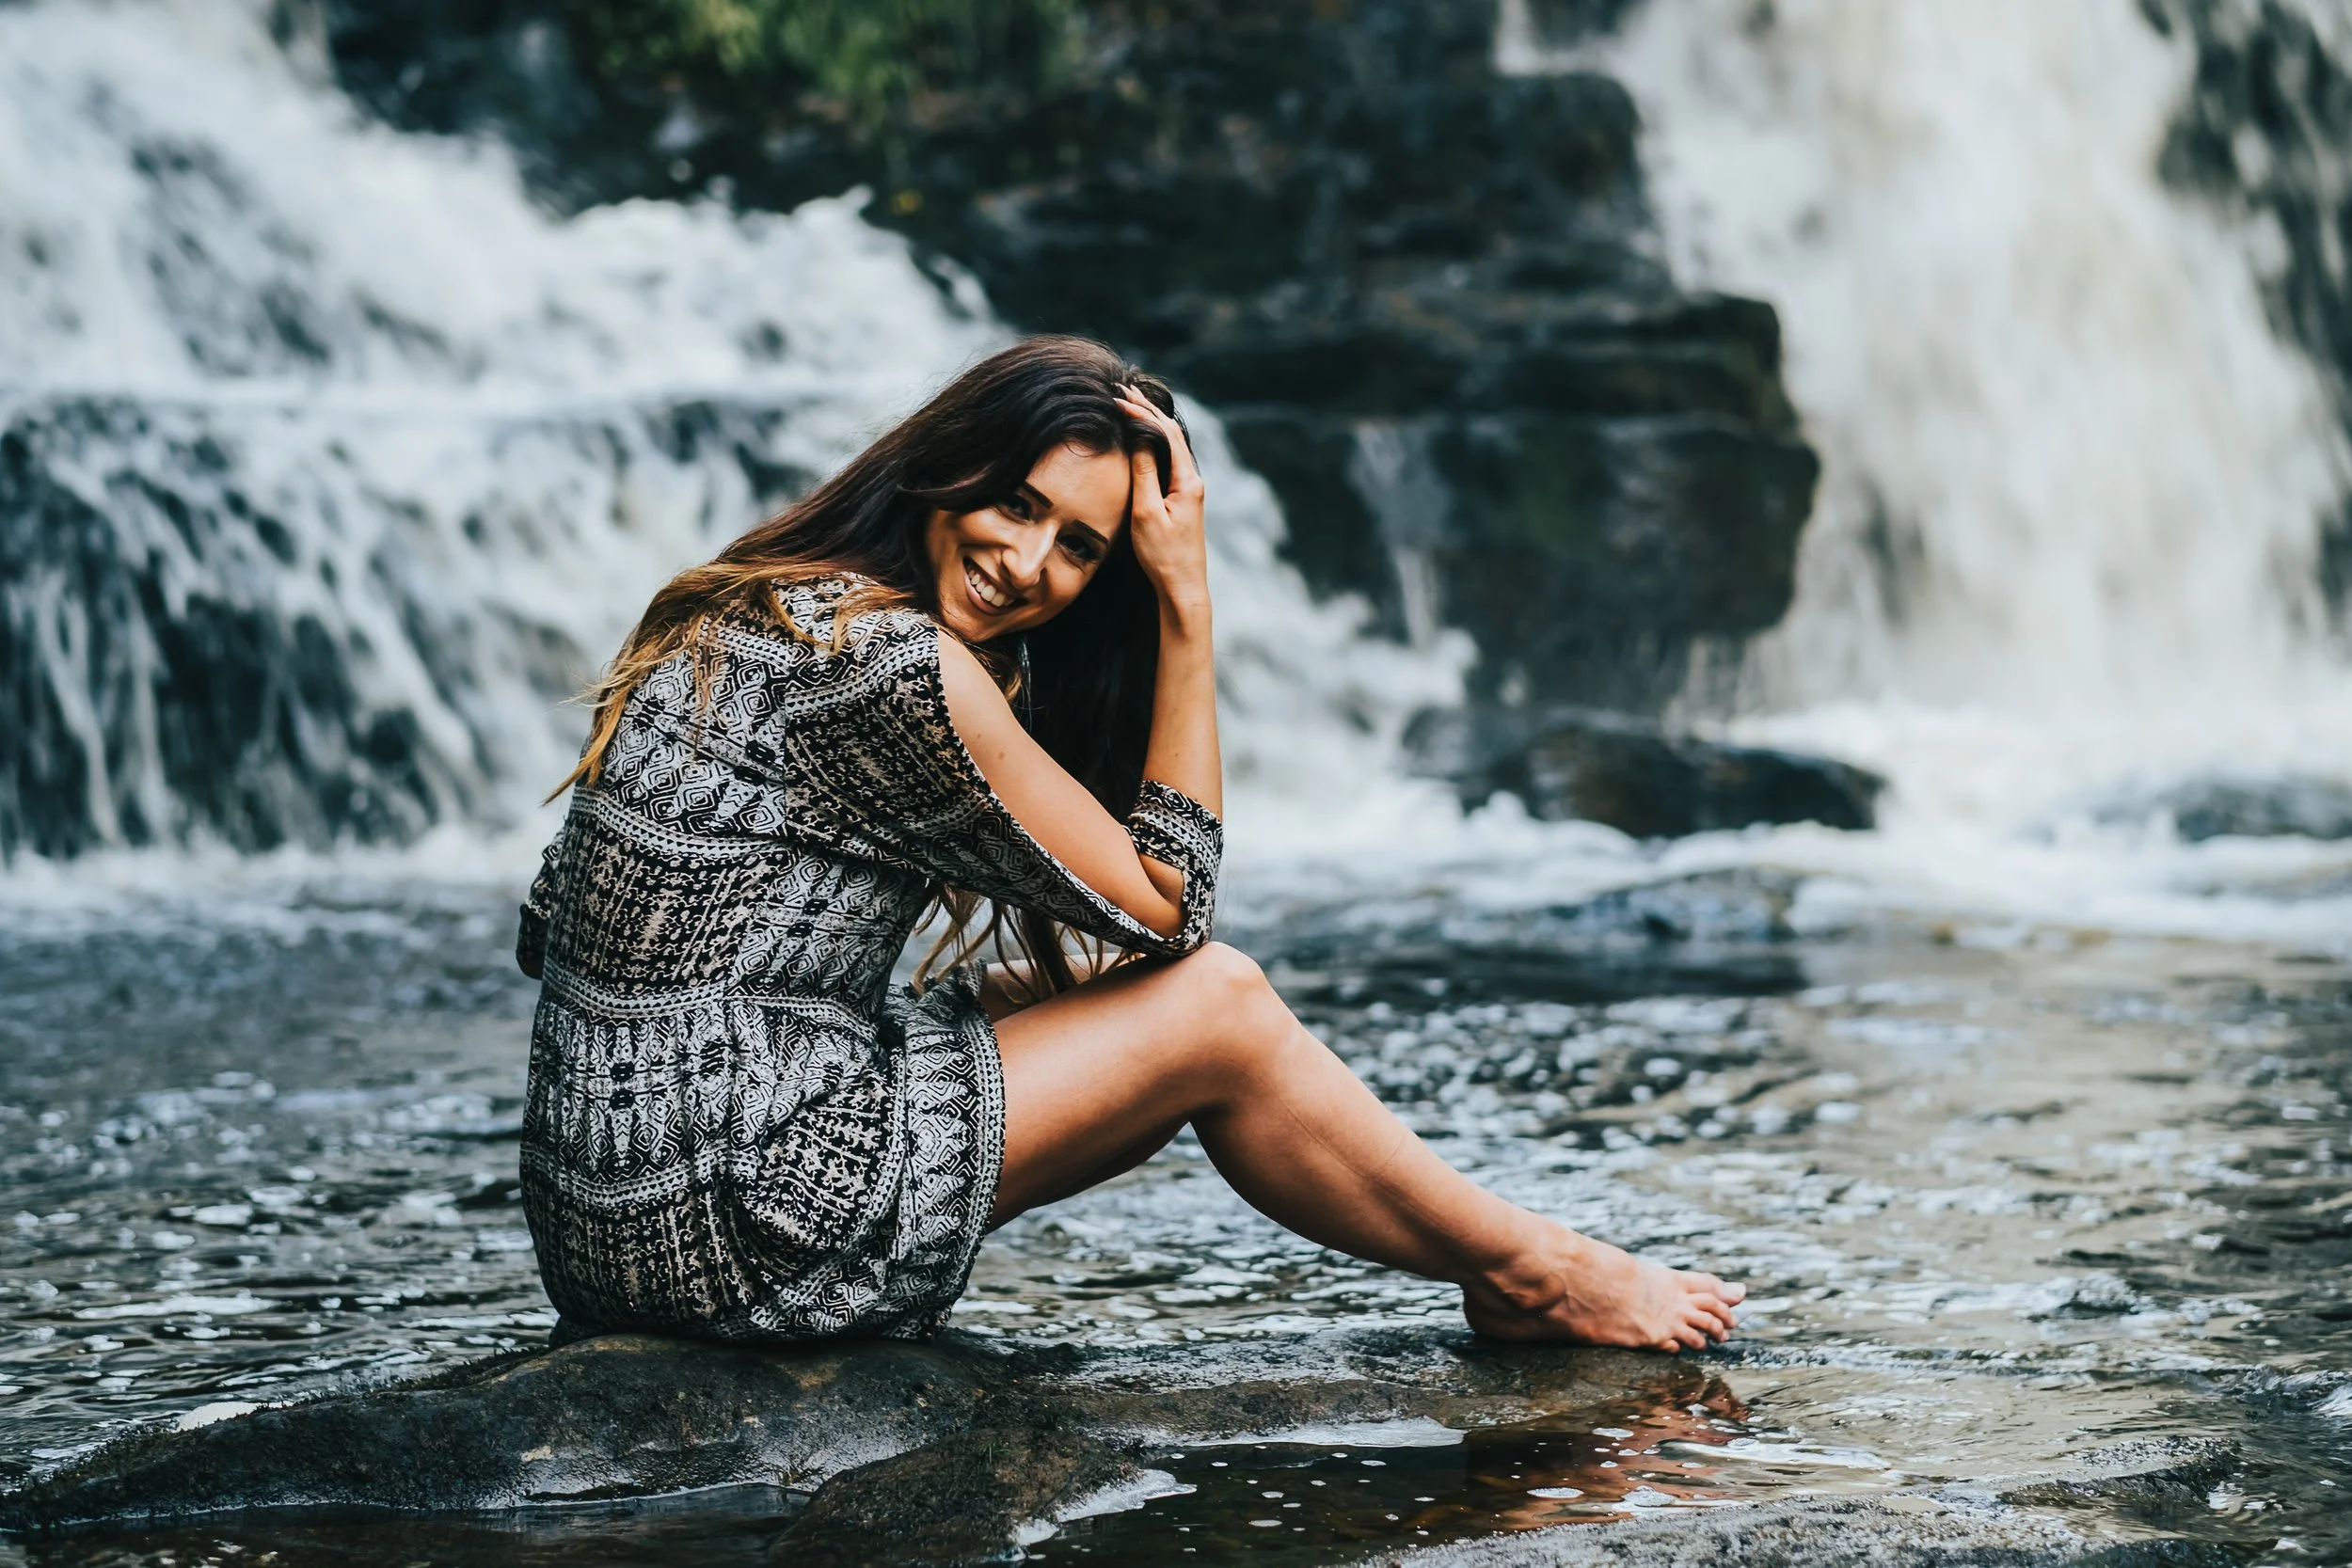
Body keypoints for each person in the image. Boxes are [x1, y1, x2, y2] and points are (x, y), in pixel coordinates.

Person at [515, 335, 1744, 1351]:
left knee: (1085, 981)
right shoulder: (897, 667)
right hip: (735, 1233)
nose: (1028, 563)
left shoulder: (751, 600)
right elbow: (1176, 899)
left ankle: (1507, 1264)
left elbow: (549, 924)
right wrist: (1186, 602)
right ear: (951, 467)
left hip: (596, 1213)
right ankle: (1530, 1265)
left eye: (1081, 548)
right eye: (1017, 503)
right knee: (1216, 1002)